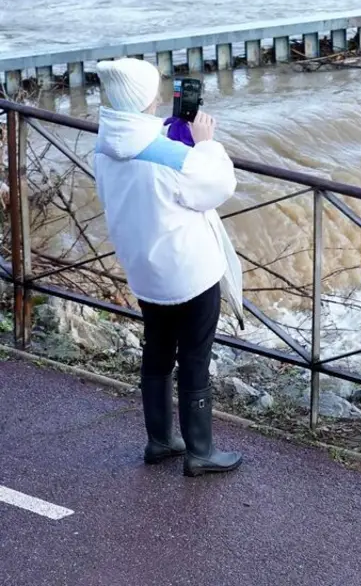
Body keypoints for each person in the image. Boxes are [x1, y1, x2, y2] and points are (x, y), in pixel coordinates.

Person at [93, 58, 245, 477]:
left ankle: (160, 440)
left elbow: (140, 163)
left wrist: (174, 136)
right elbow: (217, 186)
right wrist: (206, 142)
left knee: (157, 351)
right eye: (155, 91)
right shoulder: (174, 158)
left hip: (144, 271)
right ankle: (201, 452)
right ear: (145, 99)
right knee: (195, 358)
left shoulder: (104, 149)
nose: (161, 97)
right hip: (190, 274)